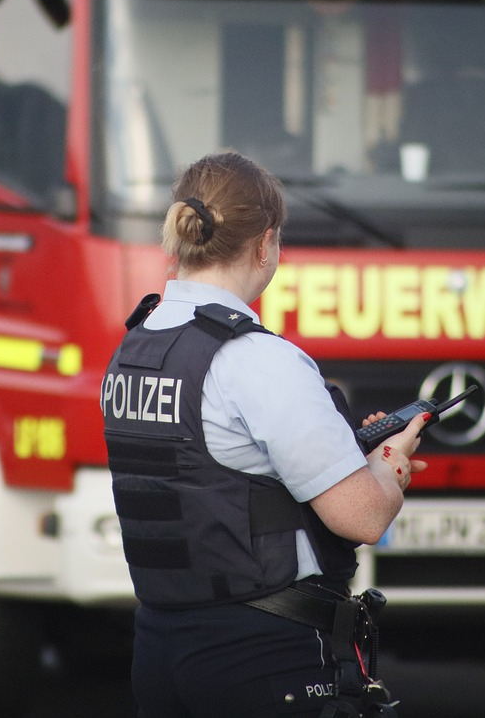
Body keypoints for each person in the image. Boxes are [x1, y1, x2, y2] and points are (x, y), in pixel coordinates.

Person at [101, 150, 428, 718]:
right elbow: (362, 517)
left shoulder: (136, 348)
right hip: (263, 655)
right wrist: (390, 466)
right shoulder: (257, 360)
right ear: (264, 243)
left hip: (159, 647)